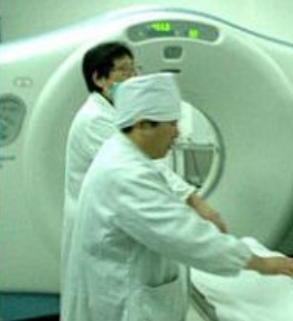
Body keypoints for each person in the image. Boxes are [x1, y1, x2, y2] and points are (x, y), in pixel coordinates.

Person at [61, 73, 293, 321]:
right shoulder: (125, 174)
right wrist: (262, 264)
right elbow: (186, 235)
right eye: (172, 124)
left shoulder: (123, 153)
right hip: (125, 303)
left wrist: (195, 202)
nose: (177, 134)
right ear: (143, 125)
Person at [61, 42, 224, 290]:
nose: (133, 77)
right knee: (108, 290)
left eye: (134, 69)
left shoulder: (118, 113)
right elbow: (138, 165)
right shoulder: (95, 120)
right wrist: (194, 201)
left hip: (112, 212)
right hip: (99, 222)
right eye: (124, 70)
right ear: (99, 78)